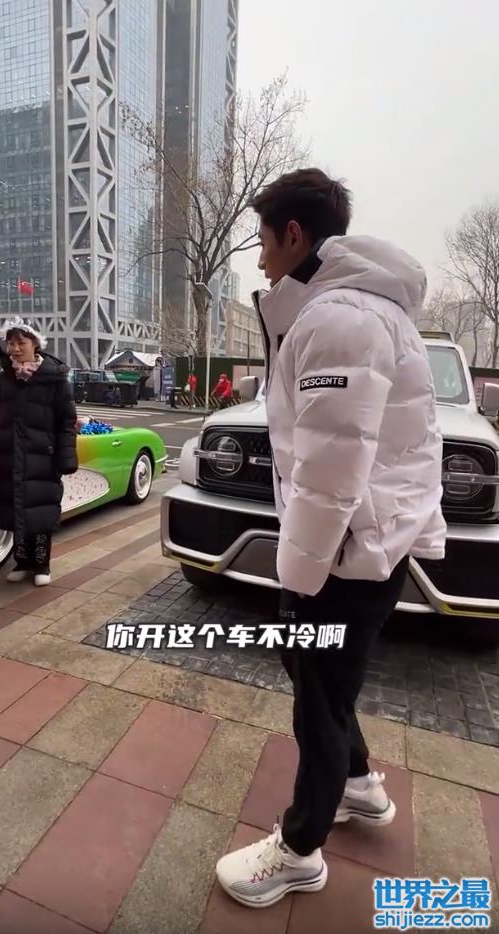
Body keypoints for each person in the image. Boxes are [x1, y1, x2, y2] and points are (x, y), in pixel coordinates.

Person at [215, 168, 446, 908]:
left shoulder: (337, 318)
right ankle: (359, 784)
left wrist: (300, 578)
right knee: (321, 677)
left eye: (262, 241)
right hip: (369, 542)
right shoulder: (361, 309)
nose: (259, 260)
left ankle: (299, 850)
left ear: (294, 234)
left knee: (316, 694)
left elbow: (328, 469)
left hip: (347, 550)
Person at [0, 318, 78, 586]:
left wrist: (66, 457)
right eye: (10, 343)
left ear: (36, 344)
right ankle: (22, 561)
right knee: (15, 511)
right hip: (9, 456)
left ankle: (42, 564)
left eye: (21, 342)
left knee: (41, 512)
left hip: (43, 456)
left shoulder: (54, 378)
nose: (15, 348)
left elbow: (67, 421)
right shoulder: (0, 380)